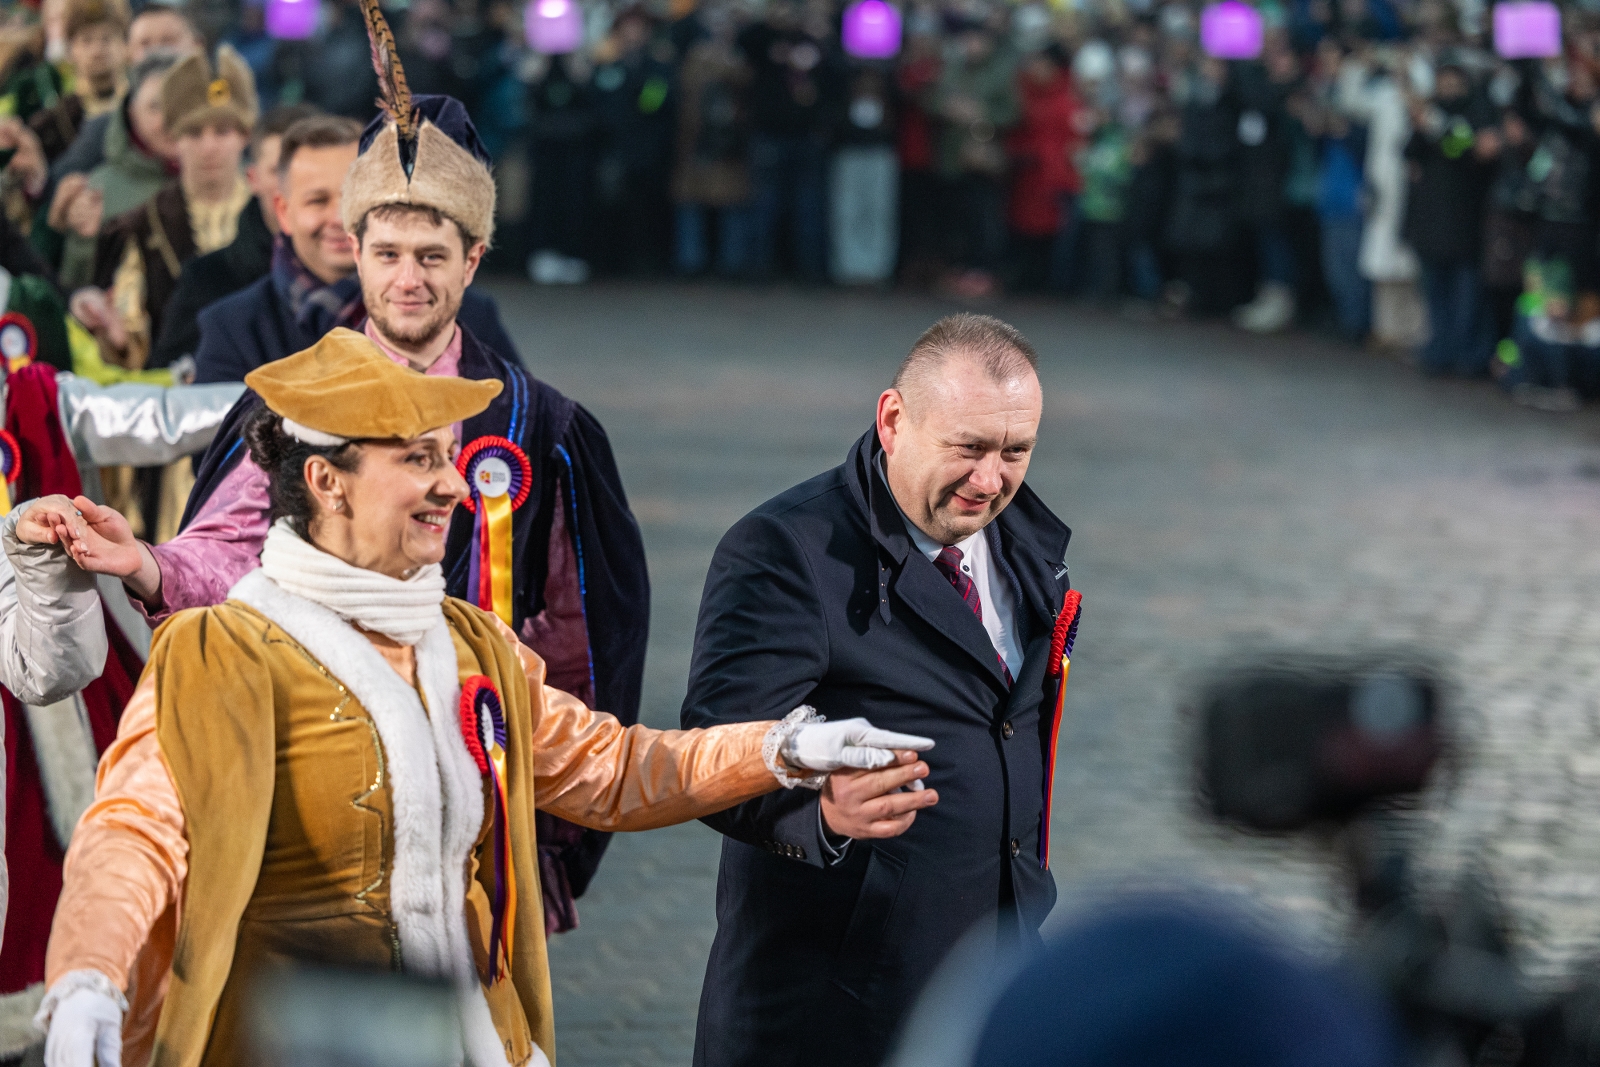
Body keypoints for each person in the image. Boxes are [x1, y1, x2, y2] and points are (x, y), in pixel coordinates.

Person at [28, 329, 935, 1067]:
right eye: (418, 459)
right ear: (324, 478)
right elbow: (132, 836)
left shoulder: (470, 643)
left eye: (452, 457)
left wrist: (783, 747)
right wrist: (86, 977)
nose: (452, 485)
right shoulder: (219, 650)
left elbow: (614, 769)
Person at [61, 7, 650, 933]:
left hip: (479, 793)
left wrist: (540, 807)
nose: (407, 279)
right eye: (386, 254)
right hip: (317, 783)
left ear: (474, 259)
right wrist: (149, 565)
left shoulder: (542, 425)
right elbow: (231, 550)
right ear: (356, 253)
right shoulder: (294, 401)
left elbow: (578, 634)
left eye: (431, 256)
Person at [682, 312, 1075, 1067]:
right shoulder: (786, 551)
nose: (990, 480)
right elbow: (709, 751)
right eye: (967, 447)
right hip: (833, 1008)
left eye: (1014, 451)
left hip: (991, 986)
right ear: (893, 420)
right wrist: (819, 808)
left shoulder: (1029, 546)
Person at [0, 358, 243, 1059]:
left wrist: (275, 397)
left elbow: (153, 417)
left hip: (56, 710)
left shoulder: (38, 395)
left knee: (81, 847)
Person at [190, 112, 516, 384]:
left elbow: (522, 428)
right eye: (317, 200)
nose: (339, 218)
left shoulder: (466, 314)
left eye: (353, 196)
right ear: (283, 212)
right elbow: (219, 457)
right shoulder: (232, 329)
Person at [148, 102, 320, 373]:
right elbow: (172, 383)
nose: (295, 185)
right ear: (253, 178)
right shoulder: (205, 279)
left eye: (308, 171)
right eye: (278, 171)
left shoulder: (367, 274)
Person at [26, 0, 129, 165]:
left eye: (107, 38)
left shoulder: (142, 111)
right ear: (70, 50)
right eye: (86, 40)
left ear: (125, 45)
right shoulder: (51, 125)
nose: (97, 50)